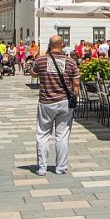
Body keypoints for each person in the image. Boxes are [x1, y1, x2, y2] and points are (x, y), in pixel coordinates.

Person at [31, 34, 79, 176]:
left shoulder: (41, 61)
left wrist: (42, 56)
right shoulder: (71, 62)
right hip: (64, 101)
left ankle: (42, 168)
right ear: (62, 45)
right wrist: (75, 97)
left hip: (46, 102)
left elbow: (33, 74)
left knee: (43, 135)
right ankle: (61, 167)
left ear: (49, 45)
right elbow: (76, 84)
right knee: (62, 136)